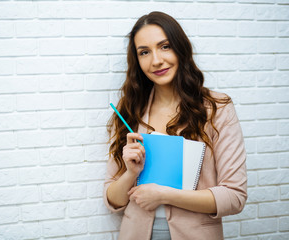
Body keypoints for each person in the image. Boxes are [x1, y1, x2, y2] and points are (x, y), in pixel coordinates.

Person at [104, 11, 247, 240]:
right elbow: (113, 199)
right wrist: (130, 173)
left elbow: (234, 196)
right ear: (137, 60)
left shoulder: (217, 108)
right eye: (144, 52)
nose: (156, 60)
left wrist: (163, 195)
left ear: (181, 47)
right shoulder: (129, 110)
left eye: (165, 46)